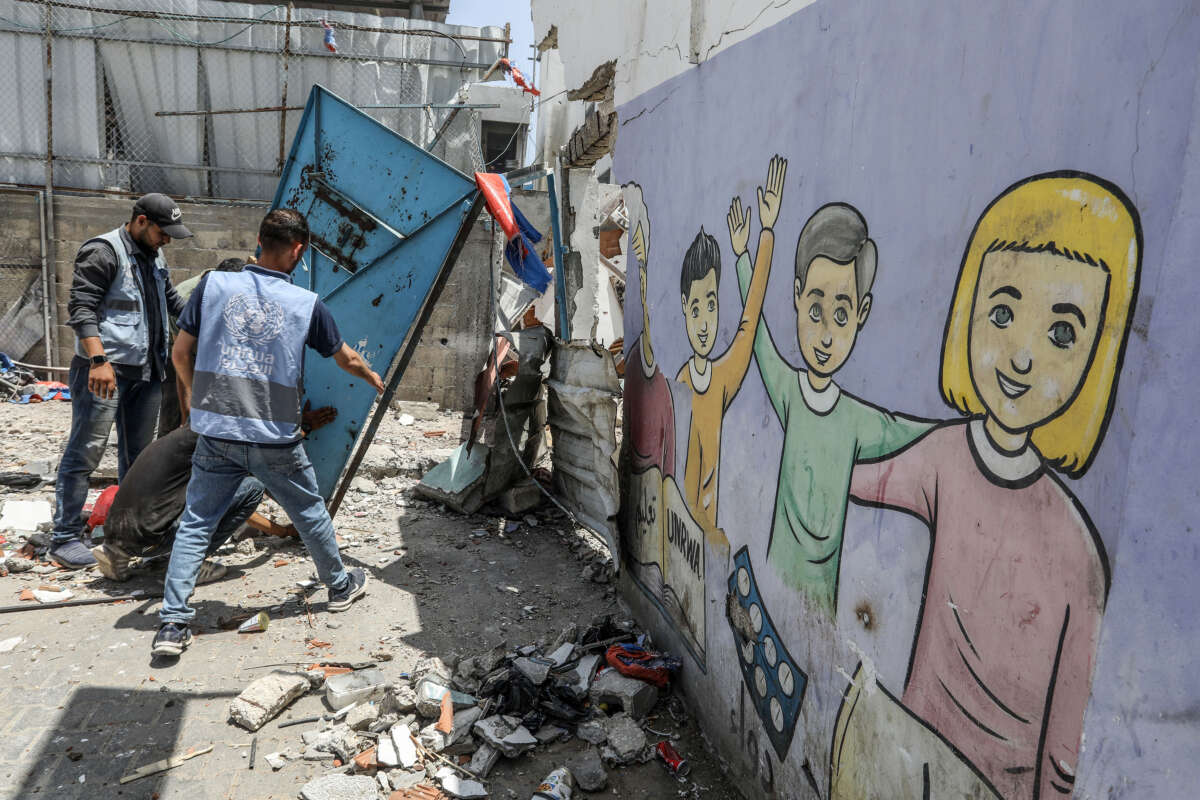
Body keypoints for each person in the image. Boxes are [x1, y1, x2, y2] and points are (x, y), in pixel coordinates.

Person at [835, 172, 1140, 798]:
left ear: (1098, 358)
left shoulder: (1081, 558)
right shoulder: (947, 456)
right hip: (913, 756)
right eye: (1003, 312)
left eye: (1062, 332)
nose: (1023, 358)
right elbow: (860, 478)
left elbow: (1063, 753)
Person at [152, 208, 383, 657]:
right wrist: (372, 377)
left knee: (197, 523)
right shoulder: (305, 303)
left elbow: (181, 353)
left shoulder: (212, 286)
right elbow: (345, 359)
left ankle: (173, 625)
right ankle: (338, 587)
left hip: (217, 427)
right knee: (308, 511)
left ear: (259, 240)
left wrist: (199, 399)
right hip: (274, 432)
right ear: (298, 250)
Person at [735, 202, 931, 613]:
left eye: (841, 315)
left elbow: (912, 432)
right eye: (815, 309)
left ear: (862, 314)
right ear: (796, 295)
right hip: (773, 588)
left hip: (821, 609)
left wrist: (971, 424)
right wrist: (743, 256)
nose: (825, 335)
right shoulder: (789, 390)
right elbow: (757, 336)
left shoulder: (859, 422)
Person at [50, 193, 191, 570]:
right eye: (163, 232)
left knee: (138, 457)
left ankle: (126, 536)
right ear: (142, 221)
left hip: (146, 372)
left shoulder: (154, 254)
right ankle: (64, 536)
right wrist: (98, 360)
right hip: (105, 372)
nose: (167, 240)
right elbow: (81, 308)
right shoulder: (103, 251)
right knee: (85, 452)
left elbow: (173, 301)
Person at [90, 405, 336, 582]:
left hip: (116, 531)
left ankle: (119, 554)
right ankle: (189, 564)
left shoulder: (182, 437)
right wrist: (283, 531)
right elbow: (266, 455)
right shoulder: (215, 443)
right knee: (252, 489)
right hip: (149, 538)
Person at [675, 155, 786, 537]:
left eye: (711, 305)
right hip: (684, 535)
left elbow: (750, 318)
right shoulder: (681, 383)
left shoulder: (722, 378)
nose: (704, 322)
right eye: (695, 308)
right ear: (683, 311)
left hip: (708, 537)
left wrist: (762, 237)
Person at [158, 257, 247, 438]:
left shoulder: (237, 294)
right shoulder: (185, 300)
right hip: (176, 349)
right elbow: (181, 357)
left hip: (208, 349)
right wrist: (185, 414)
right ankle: (168, 450)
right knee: (174, 411)